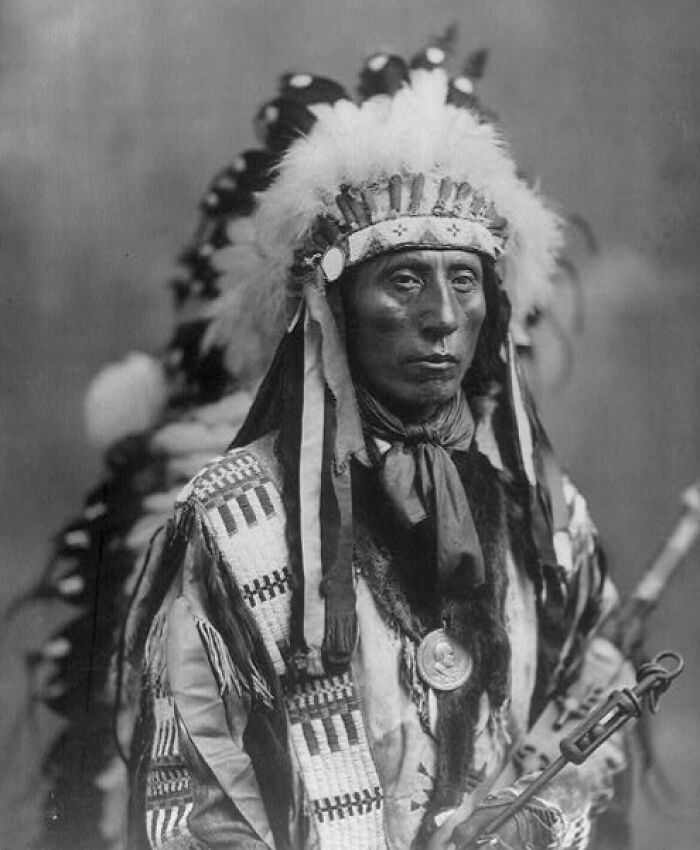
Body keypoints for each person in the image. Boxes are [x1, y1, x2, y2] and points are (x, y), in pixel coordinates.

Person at [121, 42, 630, 850]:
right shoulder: (236, 524)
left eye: (463, 280)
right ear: (336, 312)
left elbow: (589, 705)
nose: (441, 315)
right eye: (403, 281)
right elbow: (191, 793)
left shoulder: (547, 517)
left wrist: (538, 820)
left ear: (492, 312)